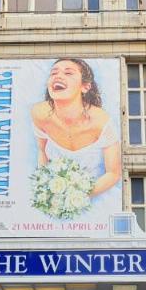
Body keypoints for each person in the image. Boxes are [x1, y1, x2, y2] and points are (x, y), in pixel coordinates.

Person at [30, 58, 122, 206]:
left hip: (98, 197)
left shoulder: (101, 122)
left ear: (85, 87)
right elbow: (42, 152)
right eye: (53, 73)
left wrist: (75, 196)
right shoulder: (39, 113)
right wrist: (48, 190)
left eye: (68, 73)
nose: (58, 76)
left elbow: (113, 173)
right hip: (55, 201)